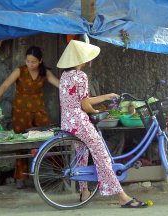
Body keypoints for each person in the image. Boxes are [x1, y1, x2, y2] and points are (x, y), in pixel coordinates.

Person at [57, 40, 147, 208]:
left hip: (67, 121)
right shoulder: (81, 76)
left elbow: (80, 100)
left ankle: (83, 191)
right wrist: (96, 112)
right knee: (102, 156)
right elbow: (84, 105)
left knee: (82, 156)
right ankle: (122, 197)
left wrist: (105, 96)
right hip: (79, 121)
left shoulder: (64, 76)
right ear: (79, 60)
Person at [0, 46, 59, 188]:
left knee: (51, 138)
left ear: (40, 61)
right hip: (20, 112)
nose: (30, 64)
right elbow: (5, 85)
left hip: (38, 111)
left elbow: (60, 84)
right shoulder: (20, 71)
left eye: (33, 62)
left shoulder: (45, 72)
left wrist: (74, 92)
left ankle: (60, 171)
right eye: (28, 61)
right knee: (20, 143)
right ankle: (20, 178)